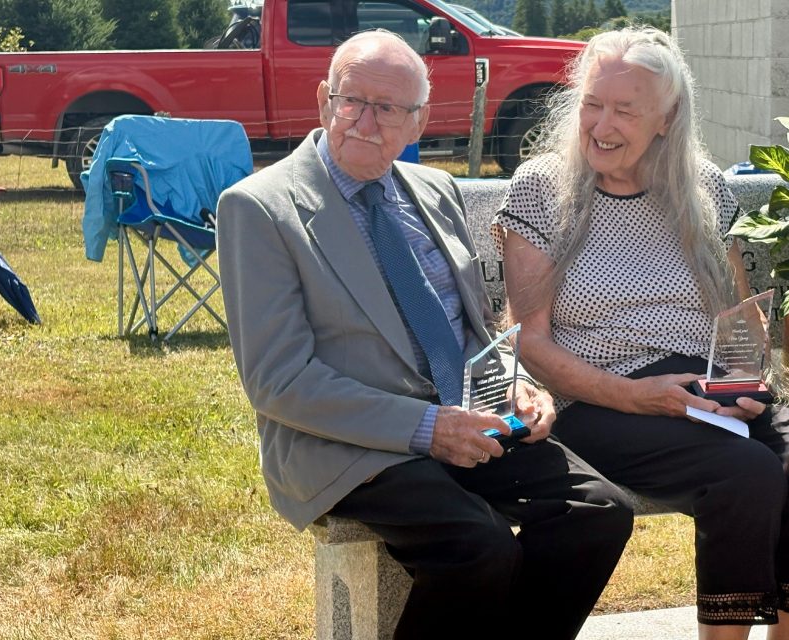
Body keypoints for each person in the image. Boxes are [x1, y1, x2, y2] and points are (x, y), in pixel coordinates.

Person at [217, 30, 633, 640]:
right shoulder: (260, 207)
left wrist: (517, 385)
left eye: (388, 108)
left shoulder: (435, 192)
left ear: (419, 121)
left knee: (596, 512)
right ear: (323, 100)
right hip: (348, 440)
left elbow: (474, 328)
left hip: (465, 414)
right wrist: (428, 429)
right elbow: (279, 381)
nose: (364, 119)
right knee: (479, 547)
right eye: (351, 99)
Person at [493, 27, 789, 640]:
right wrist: (639, 395)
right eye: (592, 103)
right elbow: (530, 343)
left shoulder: (704, 187)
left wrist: (747, 381)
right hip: (601, 400)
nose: (601, 124)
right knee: (747, 473)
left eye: (625, 110)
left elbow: (741, 315)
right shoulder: (541, 190)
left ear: (665, 120)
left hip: (707, 394)